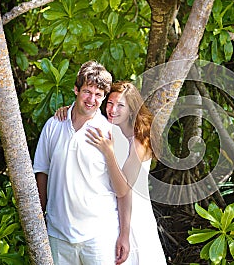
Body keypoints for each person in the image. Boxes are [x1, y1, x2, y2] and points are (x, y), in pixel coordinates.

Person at [55, 81, 167, 264]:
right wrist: (69, 110)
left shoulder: (139, 142)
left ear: (131, 110)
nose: (112, 110)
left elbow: (124, 187)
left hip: (134, 217)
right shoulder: (110, 130)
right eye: (110, 103)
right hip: (113, 214)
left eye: (120, 105)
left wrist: (108, 152)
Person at [33, 61, 131, 265]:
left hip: (99, 236)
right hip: (58, 233)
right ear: (76, 89)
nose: (91, 99)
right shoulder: (54, 125)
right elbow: (41, 173)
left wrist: (124, 235)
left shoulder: (111, 134)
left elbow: (123, 191)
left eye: (98, 95)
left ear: (104, 98)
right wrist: (39, 220)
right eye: (87, 91)